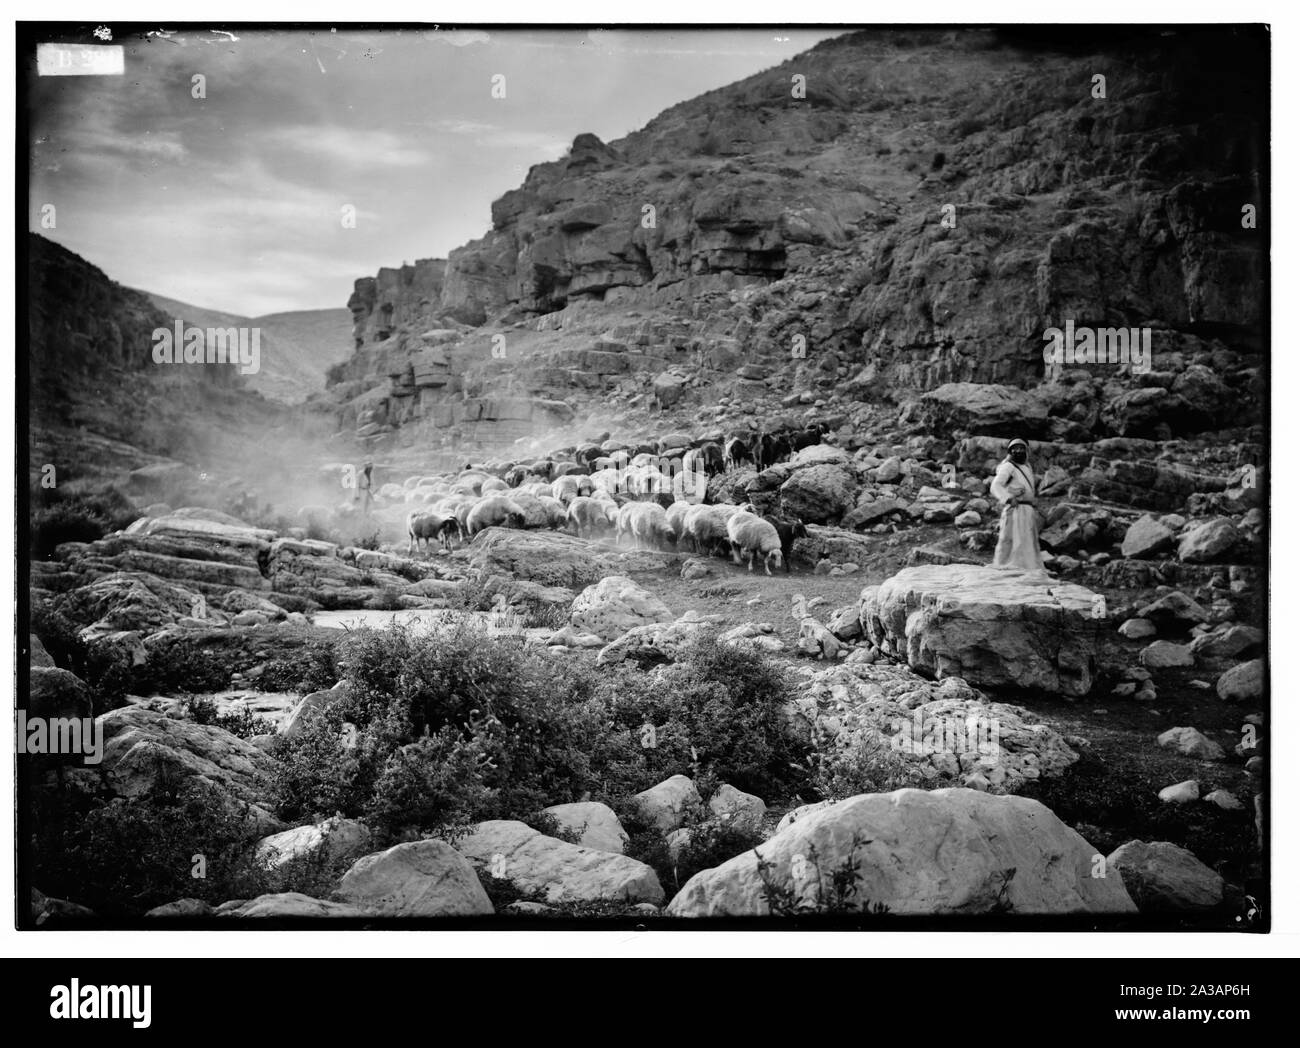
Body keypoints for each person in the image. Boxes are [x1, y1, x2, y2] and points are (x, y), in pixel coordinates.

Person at [989, 438, 1045, 571]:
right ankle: (1015, 566)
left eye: (1021, 448)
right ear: (1010, 451)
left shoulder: (1026, 467)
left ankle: (1029, 566)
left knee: (1027, 539)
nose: (1018, 451)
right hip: (1016, 508)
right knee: (1015, 539)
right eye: (1015, 448)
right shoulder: (1008, 466)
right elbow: (995, 485)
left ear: (1026, 450)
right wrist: (1008, 498)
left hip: (1027, 509)